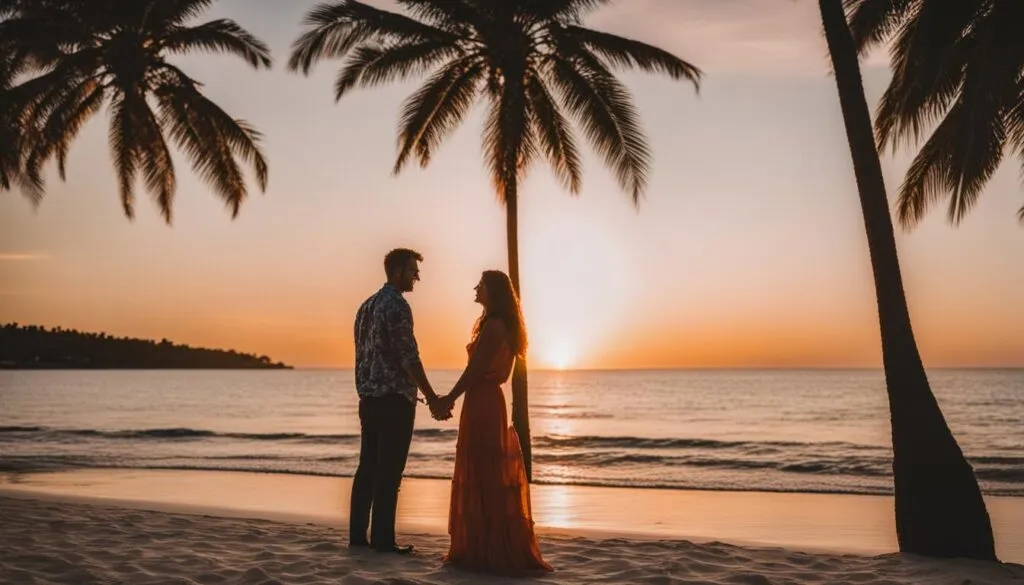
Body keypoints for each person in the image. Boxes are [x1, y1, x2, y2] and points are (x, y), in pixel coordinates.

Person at [433, 270, 553, 575]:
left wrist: (448, 398)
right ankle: (478, 544)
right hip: (482, 400)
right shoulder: (494, 324)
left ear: (493, 292)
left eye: (481, 285)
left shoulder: (496, 327)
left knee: (484, 470)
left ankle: (486, 548)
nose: (475, 288)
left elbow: (475, 370)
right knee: (482, 470)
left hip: (483, 401)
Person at [350, 248, 448, 554]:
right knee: (389, 473)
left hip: (369, 399)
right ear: (397, 271)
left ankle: (357, 537)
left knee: (367, 468)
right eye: (412, 270)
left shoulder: (366, 306)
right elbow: (409, 356)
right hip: (394, 401)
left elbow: (361, 356)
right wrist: (432, 397)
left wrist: (363, 392)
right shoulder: (398, 306)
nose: (417, 276)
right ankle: (382, 541)